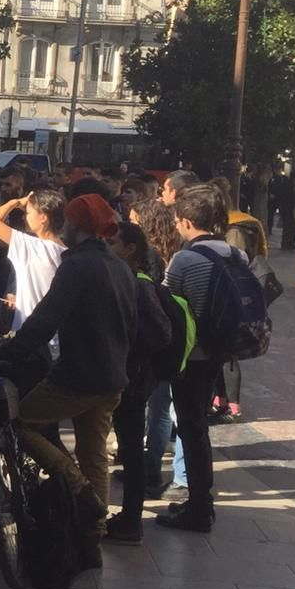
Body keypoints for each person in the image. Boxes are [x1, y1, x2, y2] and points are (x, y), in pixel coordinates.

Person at [0, 194, 135, 566]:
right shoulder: (118, 265)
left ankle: (82, 494)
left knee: (19, 422)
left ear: (75, 227)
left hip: (77, 376)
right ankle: (92, 541)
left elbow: (43, 321)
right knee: (94, 456)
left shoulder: (77, 266)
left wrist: (6, 353)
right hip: (112, 377)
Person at [156, 185, 238, 534]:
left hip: (191, 355)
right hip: (219, 351)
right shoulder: (236, 255)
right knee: (197, 427)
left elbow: (166, 303)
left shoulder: (186, 259)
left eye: (176, 221)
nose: (175, 226)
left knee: (190, 429)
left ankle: (200, 507)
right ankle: (200, 502)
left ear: (187, 221)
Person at [103, 222, 183, 546]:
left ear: (131, 249)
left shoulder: (139, 285)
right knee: (129, 448)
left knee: (132, 449)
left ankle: (130, 519)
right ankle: (127, 518)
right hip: (128, 376)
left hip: (132, 380)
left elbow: (161, 332)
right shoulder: (126, 281)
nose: (108, 247)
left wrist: (128, 347)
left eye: (113, 242)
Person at [0, 188, 66, 332]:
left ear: (43, 217)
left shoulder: (30, 246)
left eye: (27, 213)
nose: (23, 217)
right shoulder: (67, 251)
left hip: (29, 330)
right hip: (58, 332)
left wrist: (15, 202)